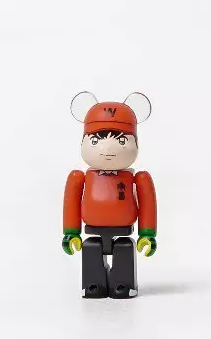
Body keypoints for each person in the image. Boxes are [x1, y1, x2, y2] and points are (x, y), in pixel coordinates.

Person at [62, 95, 157, 299]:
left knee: (124, 249)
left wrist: (147, 233)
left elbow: (147, 204)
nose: (108, 149)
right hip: (92, 227)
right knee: (91, 250)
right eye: (96, 140)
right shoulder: (78, 177)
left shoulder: (139, 178)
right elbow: (71, 204)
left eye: (121, 140)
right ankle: (93, 285)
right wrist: (71, 232)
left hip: (123, 227)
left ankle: (124, 285)